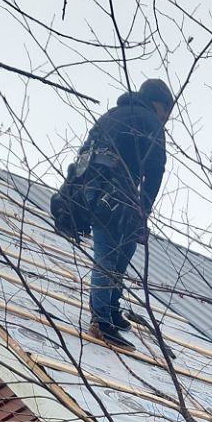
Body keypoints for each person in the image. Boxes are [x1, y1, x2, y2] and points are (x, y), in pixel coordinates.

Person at [55, 79, 174, 346]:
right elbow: (155, 171)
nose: (166, 119)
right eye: (166, 111)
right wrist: (142, 212)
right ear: (158, 104)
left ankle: (110, 307)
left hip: (86, 190)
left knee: (125, 248)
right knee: (109, 254)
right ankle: (101, 322)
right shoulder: (151, 122)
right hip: (115, 195)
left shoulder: (112, 114)